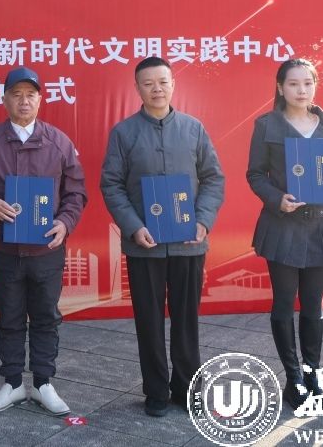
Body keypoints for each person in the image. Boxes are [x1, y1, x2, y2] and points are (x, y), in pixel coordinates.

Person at [100, 56, 225, 418]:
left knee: (187, 320)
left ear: (173, 84)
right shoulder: (124, 133)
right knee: (149, 320)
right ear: (137, 88)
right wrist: (133, 226)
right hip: (145, 245)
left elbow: (214, 178)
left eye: (163, 82)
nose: (157, 89)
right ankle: (155, 390)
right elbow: (111, 184)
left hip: (189, 244)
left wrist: (203, 221)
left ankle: (187, 387)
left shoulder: (193, 129)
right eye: (148, 83)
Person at [0, 66, 87, 417]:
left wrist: (65, 223)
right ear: (4, 99)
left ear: (40, 99)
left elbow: (76, 192)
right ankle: (12, 383)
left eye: (30, 95)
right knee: (9, 317)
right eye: (16, 95)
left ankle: (43, 383)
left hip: (46, 249)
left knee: (46, 316)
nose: (24, 101)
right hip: (4, 248)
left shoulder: (59, 142)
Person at [246, 58, 323, 408]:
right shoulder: (267, 125)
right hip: (283, 226)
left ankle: (312, 376)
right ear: (280, 87)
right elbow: (255, 174)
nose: (301, 90)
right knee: (284, 302)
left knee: (313, 306)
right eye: (293, 84)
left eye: (308, 83)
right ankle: (293, 380)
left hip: (320, 225)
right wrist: (277, 199)